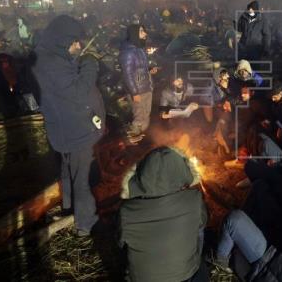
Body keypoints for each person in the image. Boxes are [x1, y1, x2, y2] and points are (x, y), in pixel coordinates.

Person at [33, 15, 105, 236]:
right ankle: (85, 223)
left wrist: (75, 60)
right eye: (75, 41)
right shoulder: (52, 64)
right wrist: (91, 64)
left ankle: (69, 209)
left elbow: (63, 81)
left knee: (68, 171)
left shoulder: (47, 57)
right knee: (82, 178)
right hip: (76, 131)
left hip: (64, 130)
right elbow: (79, 92)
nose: (78, 46)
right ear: (63, 39)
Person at [119, 147, 207, 282]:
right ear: (180, 170)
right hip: (185, 276)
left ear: (143, 174)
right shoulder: (194, 199)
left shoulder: (126, 211)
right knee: (199, 229)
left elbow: (120, 242)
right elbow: (203, 223)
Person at [118, 24, 157, 144]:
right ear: (134, 34)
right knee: (139, 118)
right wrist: (134, 93)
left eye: (144, 31)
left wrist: (149, 70)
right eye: (141, 31)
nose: (145, 34)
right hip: (138, 90)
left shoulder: (139, 49)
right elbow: (128, 74)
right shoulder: (128, 52)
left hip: (146, 87)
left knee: (145, 116)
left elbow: (139, 69)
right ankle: (130, 142)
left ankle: (141, 140)